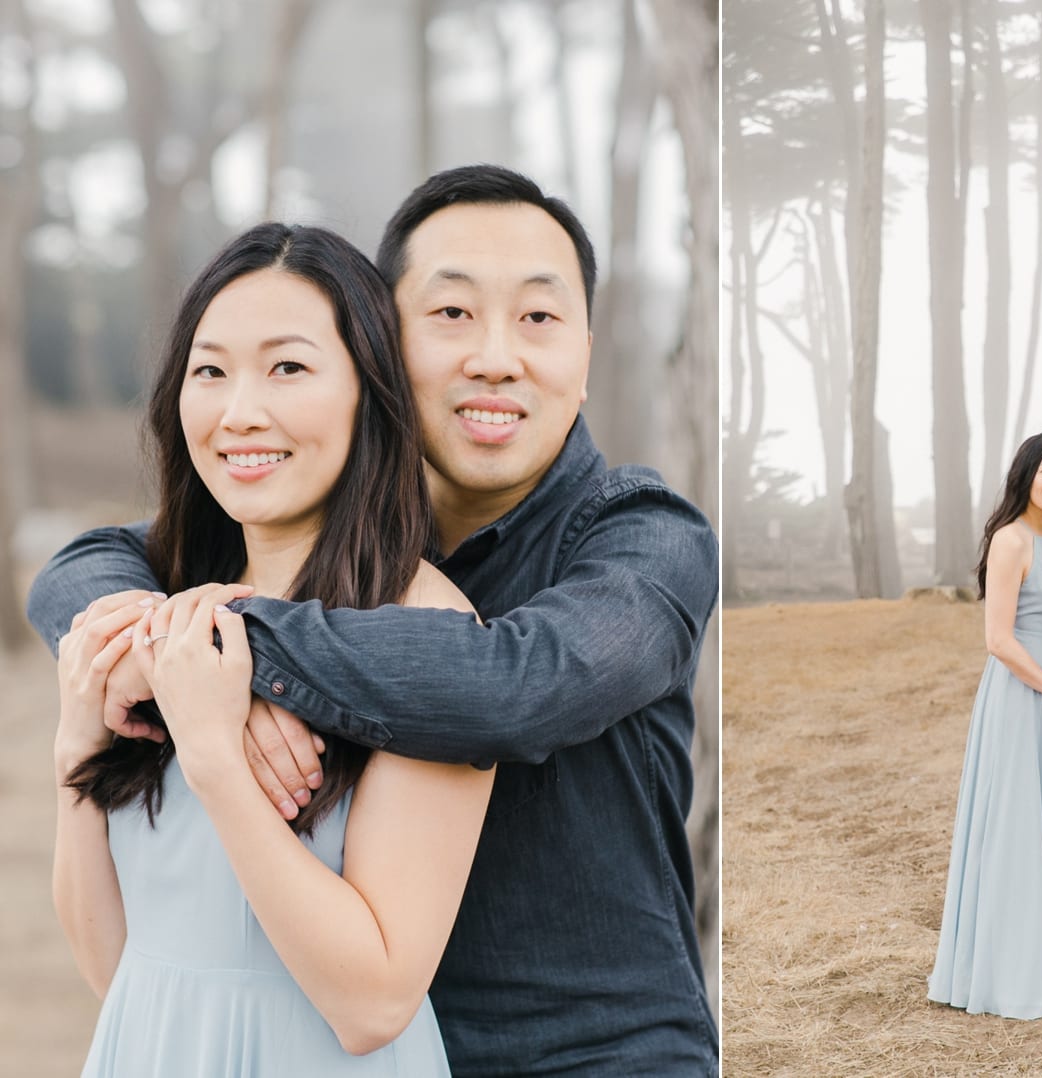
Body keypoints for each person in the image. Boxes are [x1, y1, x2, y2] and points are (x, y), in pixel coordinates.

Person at [29, 165, 719, 1076]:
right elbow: (78, 571)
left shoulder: (642, 538)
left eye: (541, 318)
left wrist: (228, 660)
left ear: (586, 355)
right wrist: (154, 666)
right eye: (451, 314)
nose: (496, 356)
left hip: (588, 1056)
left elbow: (506, 688)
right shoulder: (290, 540)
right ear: (386, 349)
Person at [52, 222, 495, 1075]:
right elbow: (117, 969)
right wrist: (76, 745)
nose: (238, 412)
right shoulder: (172, 612)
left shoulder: (425, 637)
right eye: (210, 370)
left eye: (287, 367)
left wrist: (216, 757)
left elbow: (374, 1004)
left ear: (369, 391)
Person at [928, 432, 1042, 1020]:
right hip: (1023, 697)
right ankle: (1010, 969)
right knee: (1017, 827)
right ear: (1025, 475)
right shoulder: (1011, 540)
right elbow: (997, 640)